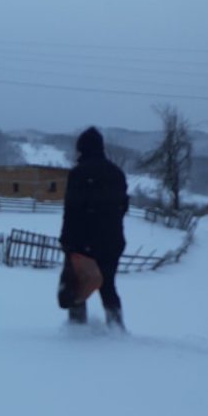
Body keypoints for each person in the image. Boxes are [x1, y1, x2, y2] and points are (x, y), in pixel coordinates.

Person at [59, 126, 129, 329]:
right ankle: (116, 328)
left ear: (82, 149)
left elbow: (71, 211)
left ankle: (77, 330)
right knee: (108, 286)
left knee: (78, 286)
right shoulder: (117, 174)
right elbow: (123, 207)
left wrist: (67, 242)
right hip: (112, 241)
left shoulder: (78, 174)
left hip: (83, 242)